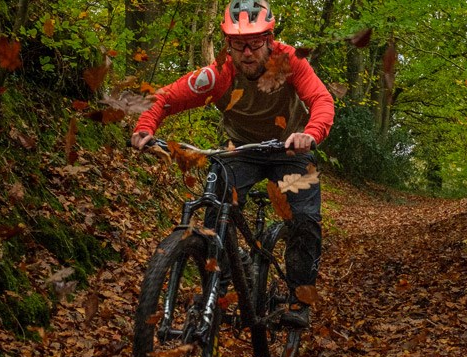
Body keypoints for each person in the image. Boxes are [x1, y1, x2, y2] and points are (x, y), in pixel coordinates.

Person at [131, 0, 335, 328]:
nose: (248, 52)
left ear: (270, 40)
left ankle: (299, 296)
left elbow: (321, 100)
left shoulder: (291, 62)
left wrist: (310, 133)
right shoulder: (220, 74)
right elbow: (166, 97)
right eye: (238, 44)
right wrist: (145, 127)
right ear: (228, 44)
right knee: (214, 210)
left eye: (255, 43)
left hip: (291, 150)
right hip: (241, 151)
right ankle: (221, 286)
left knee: (305, 219)